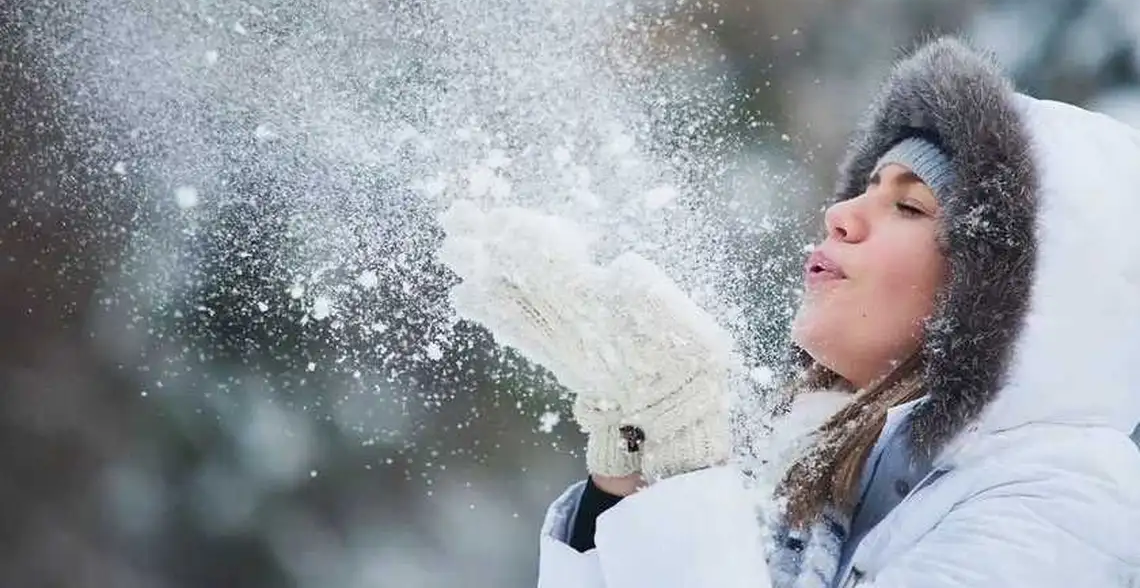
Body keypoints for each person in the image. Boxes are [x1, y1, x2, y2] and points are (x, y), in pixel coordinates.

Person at [442, 36, 1140, 588]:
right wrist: (628, 476)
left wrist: (687, 477)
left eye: (908, 205)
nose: (839, 214)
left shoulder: (1062, 510)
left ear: (1003, 293)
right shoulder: (830, 480)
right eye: (863, 188)